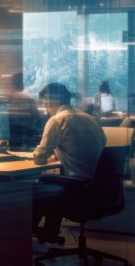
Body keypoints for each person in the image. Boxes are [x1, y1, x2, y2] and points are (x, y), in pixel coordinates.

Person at [30, 82, 106, 241]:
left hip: (76, 189)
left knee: (33, 186)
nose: (44, 107)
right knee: (52, 184)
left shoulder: (57, 120)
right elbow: (100, 144)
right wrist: (62, 155)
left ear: (50, 102)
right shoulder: (90, 119)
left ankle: (23, 236)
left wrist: (38, 154)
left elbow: (39, 158)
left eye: (44, 103)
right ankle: (48, 234)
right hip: (99, 189)